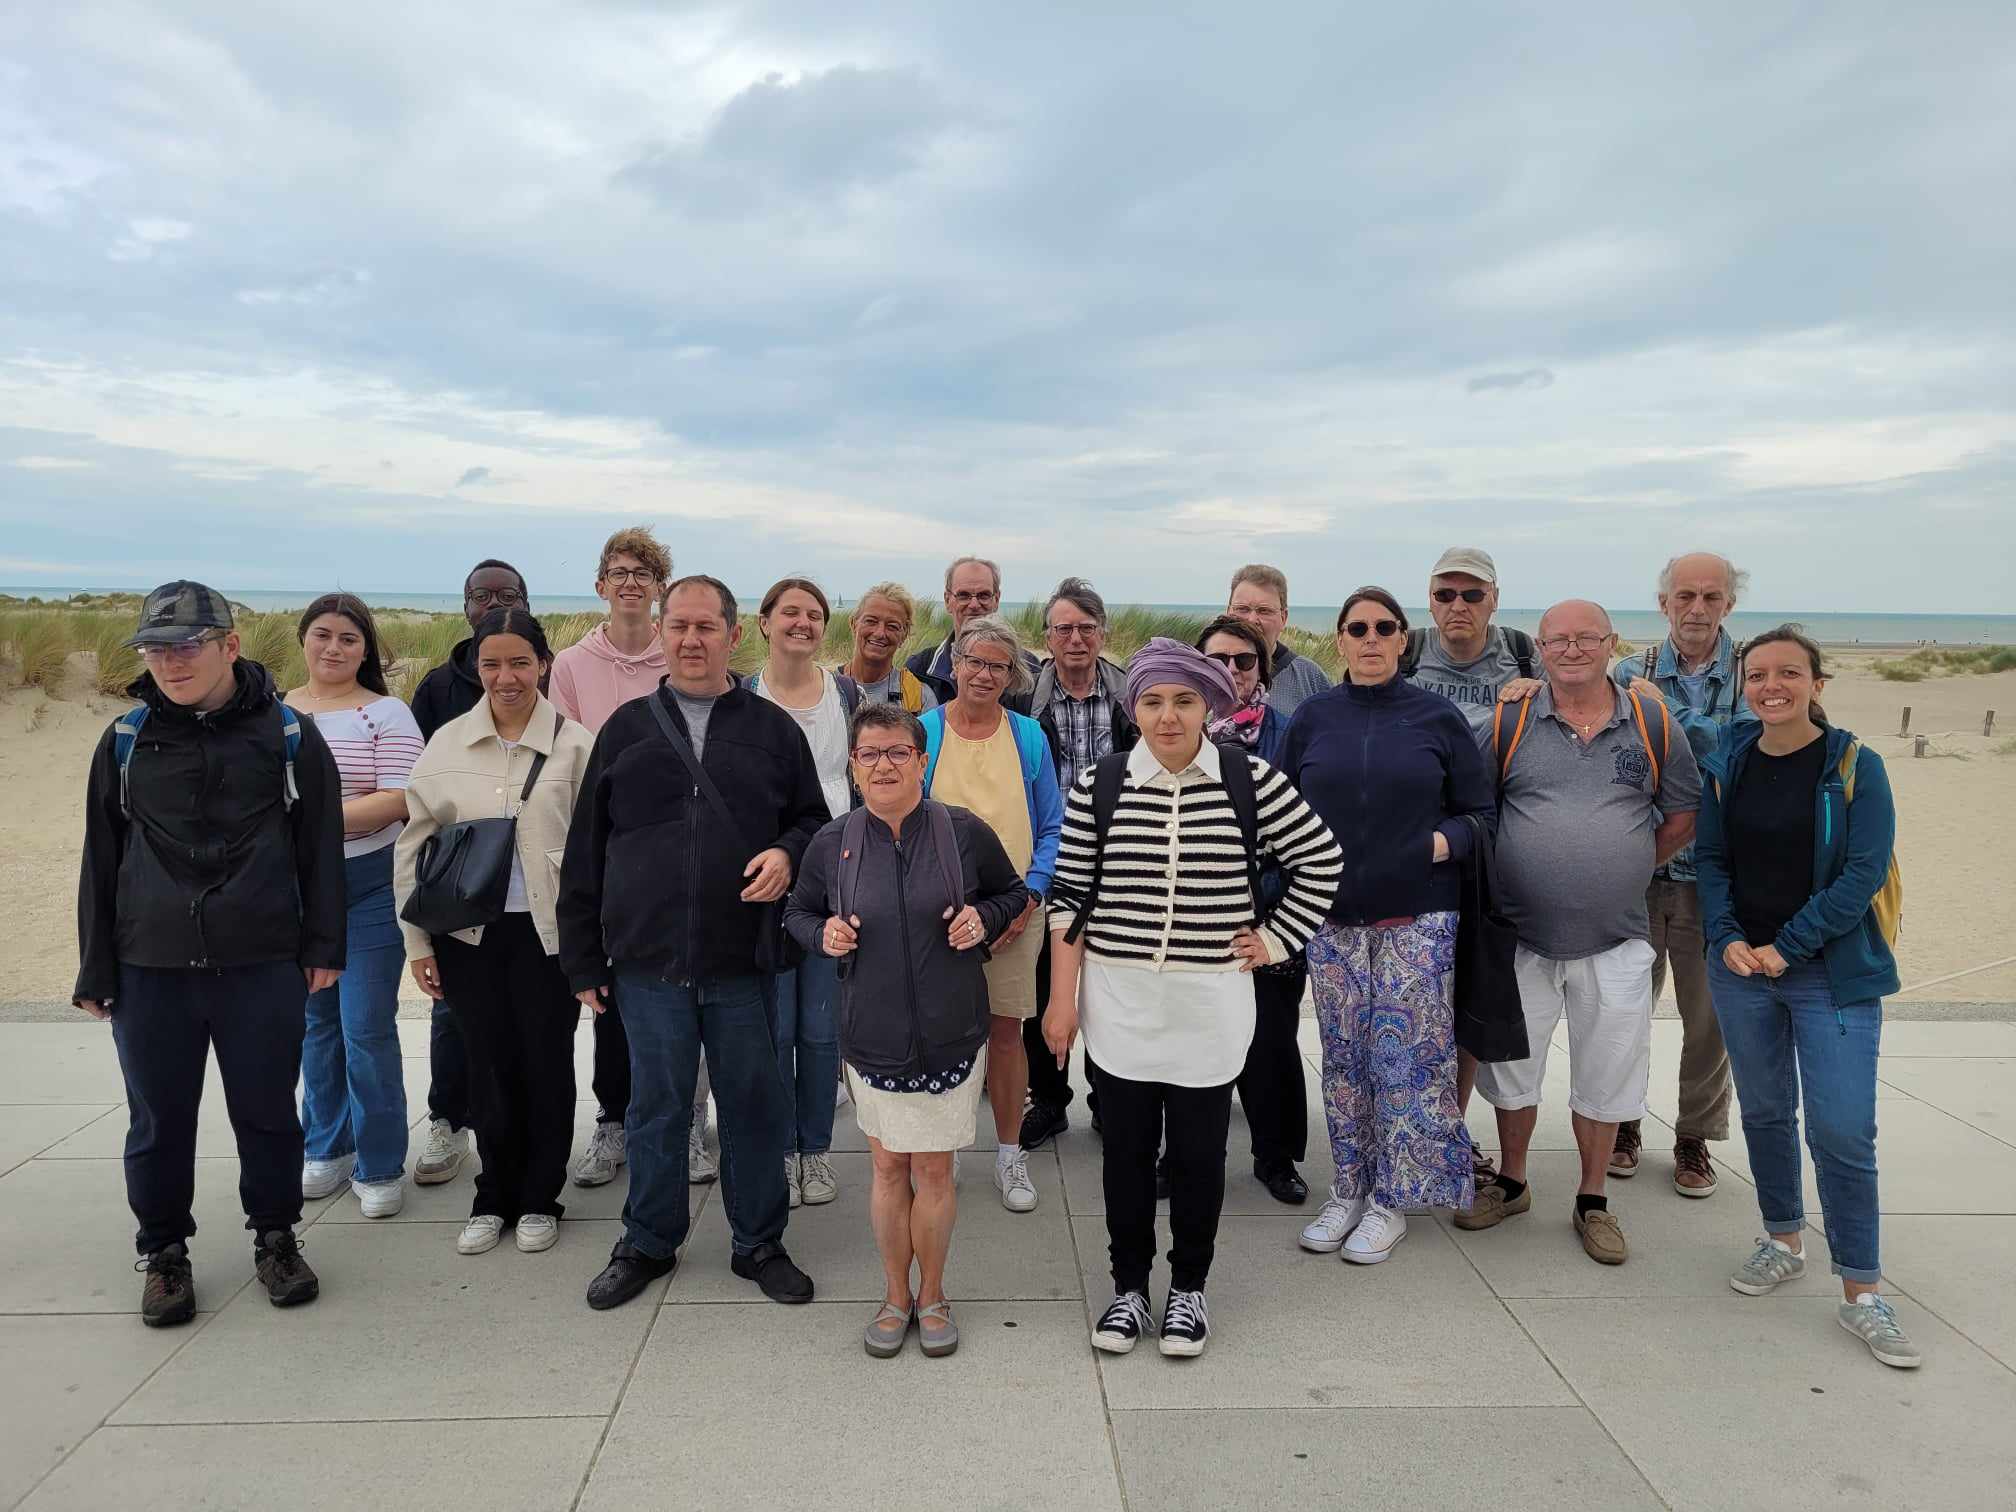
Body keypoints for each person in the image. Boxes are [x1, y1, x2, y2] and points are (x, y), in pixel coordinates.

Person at [1044, 640, 1340, 1357]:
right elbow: (1071, 898)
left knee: (1201, 1156)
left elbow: (1320, 859)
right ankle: (1125, 1289)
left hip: (1211, 1003)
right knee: (1126, 1155)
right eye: (1152, 701)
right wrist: (1063, 1001)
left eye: (1182, 701)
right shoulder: (1101, 784)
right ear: (1133, 708)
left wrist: (1273, 940)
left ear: (1208, 705)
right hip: (1121, 1002)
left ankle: (1188, 1289)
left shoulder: (1250, 778)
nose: (1167, 716)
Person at [75, 581, 344, 1325]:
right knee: (159, 1119)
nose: (171, 661)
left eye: (187, 644)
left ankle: (277, 1238)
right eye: (157, 648)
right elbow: (102, 857)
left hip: (260, 960)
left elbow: (318, 849)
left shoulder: (288, 734)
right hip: (148, 964)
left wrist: (323, 945)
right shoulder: (126, 739)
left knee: (266, 1113)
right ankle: (163, 1253)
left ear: (230, 645)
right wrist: (96, 966)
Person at [559, 575, 829, 1310]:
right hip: (647, 963)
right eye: (677, 625)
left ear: (733, 634)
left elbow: (813, 822)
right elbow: (587, 848)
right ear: (661, 629)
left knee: (751, 1103)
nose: (689, 639)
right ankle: (647, 1240)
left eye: (705, 626)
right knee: (656, 1107)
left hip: (743, 960)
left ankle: (759, 1242)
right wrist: (583, 956)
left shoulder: (773, 729)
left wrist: (786, 854)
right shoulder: (627, 729)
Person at [1694, 626, 1920, 1367]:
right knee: (1763, 1110)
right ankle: (1782, 1238)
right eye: (1758, 675)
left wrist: (1786, 946)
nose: (1772, 686)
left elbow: (1862, 874)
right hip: (1740, 970)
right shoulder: (1729, 763)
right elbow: (1712, 859)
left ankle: (1864, 1292)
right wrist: (1726, 934)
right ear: (1743, 685)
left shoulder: (1858, 765)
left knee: (1844, 1130)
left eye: (1789, 673)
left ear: (1817, 684)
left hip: (1831, 974)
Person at [1457, 601, 1701, 1266]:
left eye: (1585, 637)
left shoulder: (1651, 719)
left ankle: (1592, 1199)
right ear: (1539, 647)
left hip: (1618, 936)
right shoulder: (1507, 720)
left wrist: (1621, 865)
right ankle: (1512, 1182)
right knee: (1512, 1073)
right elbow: (1474, 809)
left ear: (1610, 642)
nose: (1572, 649)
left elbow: (1681, 814)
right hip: (1521, 937)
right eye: (1557, 639)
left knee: (1606, 1075)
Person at [785, 704, 1030, 1357]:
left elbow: (1011, 894)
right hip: (871, 1035)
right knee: (889, 1167)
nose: (885, 764)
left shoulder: (962, 832)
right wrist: (823, 933)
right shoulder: (831, 844)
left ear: (923, 762)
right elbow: (798, 914)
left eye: (899, 752)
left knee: (936, 1169)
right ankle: (896, 1294)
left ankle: (935, 1294)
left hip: (951, 1033)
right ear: (854, 767)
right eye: (871, 754)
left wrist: (982, 918)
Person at [1280, 589, 1497, 1261]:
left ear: (1404, 640)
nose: (1370, 639)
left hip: (1419, 918)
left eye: (1384, 628)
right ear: (1339, 640)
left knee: (1405, 1060)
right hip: (1331, 919)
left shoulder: (1436, 717)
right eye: (1357, 629)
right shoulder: (1312, 718)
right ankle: (1348, 1186)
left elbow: (1480, 816)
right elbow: (1280, 813)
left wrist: (1433, 846)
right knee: (1344, 1059)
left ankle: (1393, 1201)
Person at [396, 610, 596, 1257]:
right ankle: (493, 1196)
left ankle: (540, 1196)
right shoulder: (447, 745)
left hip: (550, 940)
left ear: (542, 664)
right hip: (469, 940)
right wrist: (418, 943)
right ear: (475, 668)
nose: (505, 677)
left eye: (519, 662)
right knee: (486, 1067)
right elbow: (413, 850)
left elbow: (601, 852)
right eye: (491, 664)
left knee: (546, 1064)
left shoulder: (576, 745)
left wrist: (597, 945)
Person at [549, 528, 694, 1191]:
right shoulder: (573, 666)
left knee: (686, 985)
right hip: (610, 849)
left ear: (660, 586)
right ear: (601, 585)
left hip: (685, 847)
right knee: (612, 990)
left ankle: (688, 1124)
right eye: (619, 572)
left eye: (644, 572)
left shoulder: (682, 656)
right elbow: (570, 763)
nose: (631, 582)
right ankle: (612, 1121)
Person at [1607, 552, 1756, 1196]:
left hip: (1718, 878)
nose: (1697, 609)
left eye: (1711, 597)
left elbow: (1743, 759)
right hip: (1636, 871)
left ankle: (1694, 1136)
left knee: (1709, 1020)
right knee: (1622, 1012)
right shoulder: (1625, 671)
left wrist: (1667, 718)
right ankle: (1620, 1124)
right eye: (1685, 597)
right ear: (1663, 603)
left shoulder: (1758, 670)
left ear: (1729, 604)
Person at [1399, 545, 1541, 1191]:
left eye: (1472, 594)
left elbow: (1587, 692)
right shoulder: (1406, 650)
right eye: (1445, 594)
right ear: (1429, 600)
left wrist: (1541, 689)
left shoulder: (1521, 653)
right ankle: (1424, 1129)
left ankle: (1451, 1132)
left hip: (1489, 848)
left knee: (1469, 1002)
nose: (1458, 606)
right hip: (1417, 850)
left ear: (1494, 599)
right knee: (1421, 1001)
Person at [286, 593, 425, 1219]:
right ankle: (327, 1147)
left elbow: (400, 797)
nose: (333, 648)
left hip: (372, 882)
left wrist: (311, 820)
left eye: (348, 638)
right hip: (294, 889)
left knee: (364, 1026)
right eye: (322, 635)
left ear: (366, 649)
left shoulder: (386, 713)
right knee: (314, 1025)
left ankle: (379, 1162)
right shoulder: (274, 712)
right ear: (303, 640)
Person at [919, 617, 1063, 1214]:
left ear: (1012, 676)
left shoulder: (1029, 736)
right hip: (933, 915)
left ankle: (1009, 1152)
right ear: (954, 663)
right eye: (974, 661)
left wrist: (1028, 897)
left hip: (1014, 915)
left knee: (1006, 1033)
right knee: (941, 1037)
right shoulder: (922, 732)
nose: (983, 674)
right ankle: (942, 1150)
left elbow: (1052, 826)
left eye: (998, 666)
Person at [407, 558, 534, 1191]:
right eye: (478, 595)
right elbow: (423, 799)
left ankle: (532, 1155)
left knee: (533, 1030)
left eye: (504, 595)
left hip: (530, 887)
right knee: (454, 1017)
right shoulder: (437, 687)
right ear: (464, 607)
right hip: (461, 882)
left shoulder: (540, 678)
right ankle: (448, 1120)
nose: (490, 603)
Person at [1016, 579, 1139, 1151]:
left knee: (1110, 981)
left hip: (1119, 857)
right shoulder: (1026, 700)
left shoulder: (1129, 696)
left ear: (1102, 633)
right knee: (1046, 984)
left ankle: (1107, 1096)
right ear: (1047, 636)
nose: (1075, 638)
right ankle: (1049, 1099)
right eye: (1063, 627)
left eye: (1086, 627)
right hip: (1053, 856)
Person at [1194, 614, 1307, 1204]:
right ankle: (1180, 1154)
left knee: (1271, 1042)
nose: (1231, 671)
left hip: (1268, 911)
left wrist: (1281, 925)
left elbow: (1309, 837)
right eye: (1218, 660)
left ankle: (1276, 1155)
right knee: (1190, 1046)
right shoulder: (1177, 731)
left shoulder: (1289, 733)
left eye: (1244, 660)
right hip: (1191, 918)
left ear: (1262, 667)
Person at [748, 577, 852, 1208]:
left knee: (820, 1030)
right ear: (764, 622)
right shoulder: (741, 696)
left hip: (834, 876)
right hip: (767, 880)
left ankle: (814, 1149)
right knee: (773, 1027)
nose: (804, 623)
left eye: (815, 615)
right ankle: (780, 1148)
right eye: (791, 612)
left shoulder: (843, 691)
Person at [906, 556, 1039, 704]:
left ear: (996, 600)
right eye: (963, 595)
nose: (974, 604)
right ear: (947, 600)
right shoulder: (920, 669)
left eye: (984, 595)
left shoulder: (1028, 667)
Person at [1226, 564, 1331, 718]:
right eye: (1242, 609)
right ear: (1228, 613)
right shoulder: (1202, 670)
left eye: (1264, 610)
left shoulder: (1310, 678)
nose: (1252, 620)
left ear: (1283, 618)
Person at [841, 581, 937, 712]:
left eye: (892, 626)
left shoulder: (919, 697)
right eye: (871, 621)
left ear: (904, 635)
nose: (880, 633)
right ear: (853, 624)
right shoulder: (826, 685)